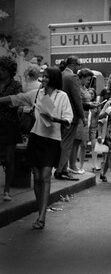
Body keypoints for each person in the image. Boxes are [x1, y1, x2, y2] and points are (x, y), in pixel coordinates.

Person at [0, 67, 73, 228]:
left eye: (47, 77)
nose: (44, 79)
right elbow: (17, 98)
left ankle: (42, 216)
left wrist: (55, 119)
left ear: (53, 79)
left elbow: (68, 118)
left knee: (45, 176)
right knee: (38, 177)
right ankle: (41, 209)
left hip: (52, 140)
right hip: (36, 138)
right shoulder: (38, 94)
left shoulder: (62, 96)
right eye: (43, 77)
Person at [54, 56, 87, 181]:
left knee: (62, 142)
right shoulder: (72, 77)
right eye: (79, 65)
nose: (79, 68)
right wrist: (82, 117)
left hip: (58, 115)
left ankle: (63, 168)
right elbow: (77, 99)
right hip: (70, 116)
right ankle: (60, 170)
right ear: (73, 64)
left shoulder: (59, 75)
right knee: (67, 144)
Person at [0, 56, 22, 201]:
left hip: (10, 125)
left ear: (9, 71)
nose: (0, 72)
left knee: (9, 159)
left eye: (3, 70)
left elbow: (18, 100)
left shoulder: (16, 85)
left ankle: (7, 190)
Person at [69, 68, 95, 174]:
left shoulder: (83, 88)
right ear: (82, 78)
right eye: (88, 79)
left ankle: (74, 164)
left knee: (79, 141)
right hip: (80, 116)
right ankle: (72, 164)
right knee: (76, 141)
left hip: (85, 115)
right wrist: (89, 105)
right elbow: (77, 103)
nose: (89, 82)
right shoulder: (78, 88)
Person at [88, 88, 101, 171]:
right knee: (82, 145)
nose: (90, 95)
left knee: (94, 146)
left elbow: (99, 115)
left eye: (92, 94)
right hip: (85, 126)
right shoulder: (84, 103)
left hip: (93, 127)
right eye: (89, 93)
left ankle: (94, 164)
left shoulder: (96, 104)